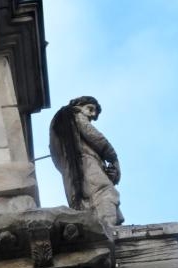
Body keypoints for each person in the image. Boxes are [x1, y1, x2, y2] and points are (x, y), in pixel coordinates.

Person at [49, 96, 124, 226]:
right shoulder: (75, 115)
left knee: (85, 203)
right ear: (79, 105)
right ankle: (108, 229)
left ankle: (99, 228)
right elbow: (94, 136)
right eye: (90, 109)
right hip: (86, 164)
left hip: (72, 172)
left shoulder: (59, 122)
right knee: (105, 192)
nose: (93, 114)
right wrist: (113, 157)